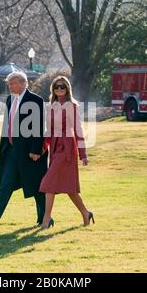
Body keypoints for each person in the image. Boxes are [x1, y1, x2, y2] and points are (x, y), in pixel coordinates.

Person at [0, 71, 52, 228]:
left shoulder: (35, 100)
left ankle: (45, 218)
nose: (10, 86)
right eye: (9, 84)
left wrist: (36, 150)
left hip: (31, 152)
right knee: (6, 183)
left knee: (36, 185)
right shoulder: (10, 100)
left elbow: (39, 126)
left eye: (13, 83)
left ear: (23, 84)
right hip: (11, 150)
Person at [39, 75, 94, 229]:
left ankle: (46, 220)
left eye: (62, 86)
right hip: (55, 148)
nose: (59, 89)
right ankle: (85, 212)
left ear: (67, 88)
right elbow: (49, 131)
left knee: (48, 182)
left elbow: (78, 130)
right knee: (69, 188)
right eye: (56, 87)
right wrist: (41, 150)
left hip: (68, 149)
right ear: (53, 89)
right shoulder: (50, 107)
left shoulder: (72, 106)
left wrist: (83, 154)